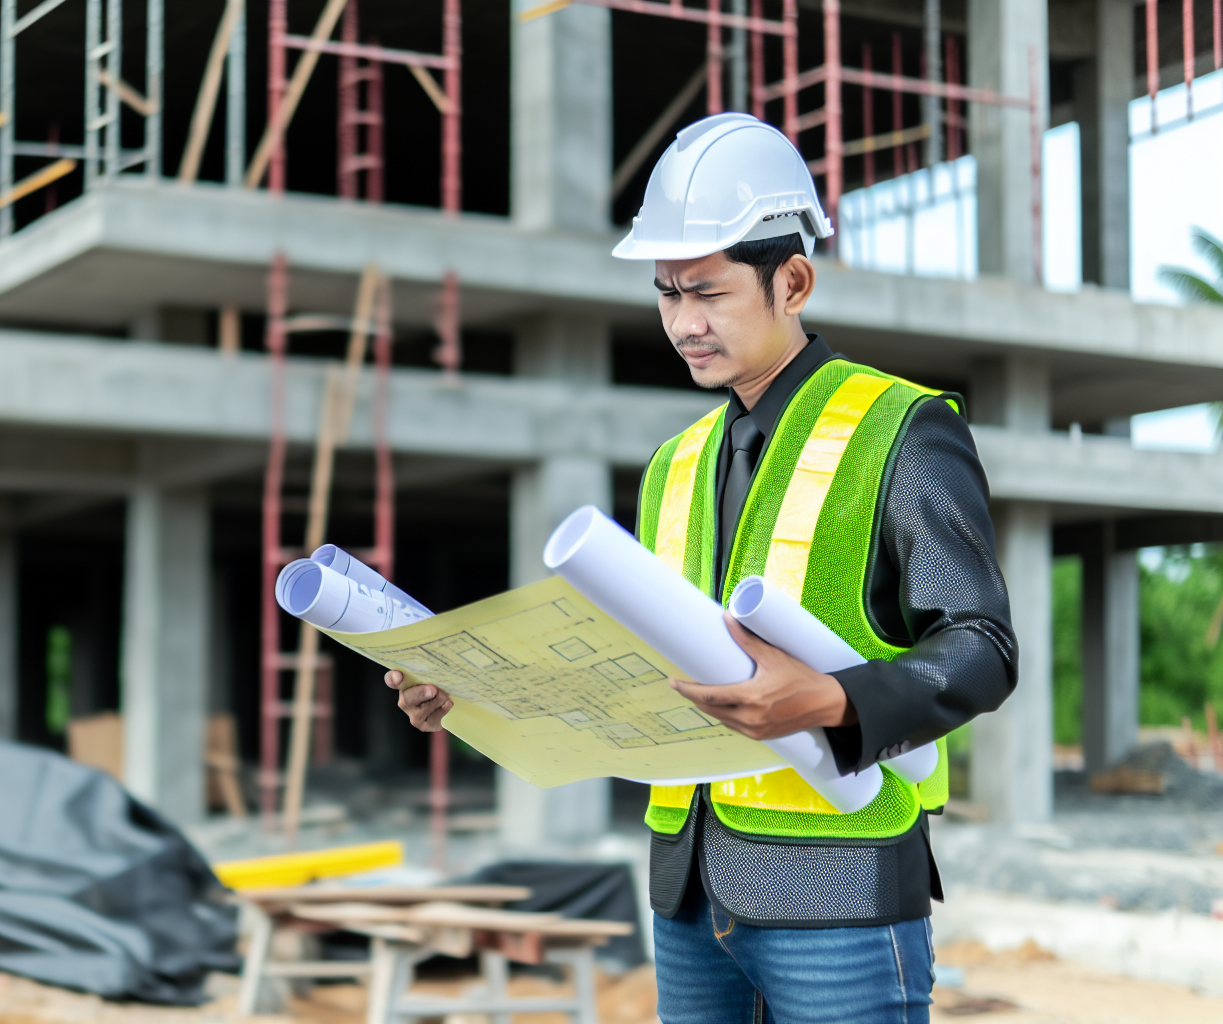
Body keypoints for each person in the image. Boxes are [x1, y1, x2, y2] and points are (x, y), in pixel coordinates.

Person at [386, 113, 1016, 1023]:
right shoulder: (674, 463)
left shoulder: (901, 430)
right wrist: (473, 692)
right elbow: (632, 666)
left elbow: (983, 646)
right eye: (667, 294)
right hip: (686, 892)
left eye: (708, 293)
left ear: (791, 280)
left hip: (836, 890)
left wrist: (833, 701)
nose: (684, 323)